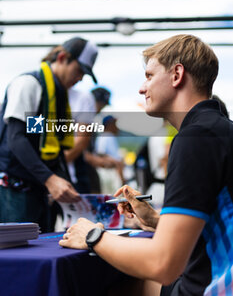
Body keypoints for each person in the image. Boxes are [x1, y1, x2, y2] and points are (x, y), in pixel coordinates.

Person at [59, 34, 233, 295]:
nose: (142, 88)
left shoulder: (195, 139)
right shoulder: (218, 129)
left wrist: (92, 237)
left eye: (149, 76)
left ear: (176, 75)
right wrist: (153, 218)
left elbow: (163, 264)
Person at [0, 36, 98, 232]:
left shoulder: (56, 95)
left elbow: (44, 145)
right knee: (20, 258)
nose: (80, 78)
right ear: (62, 58)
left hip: (39, 193)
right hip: (13, 192)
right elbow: (16, 138)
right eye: (79, 71)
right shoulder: (28, 84)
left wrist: (65, 188)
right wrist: (50, 179)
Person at [95, 115, 125, 193]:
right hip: (108, 173)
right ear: (109, 125)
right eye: (114, 124)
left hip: (112, 172)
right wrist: (117, 163)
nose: (116, 127)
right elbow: (101, 154)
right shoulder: (105, 136)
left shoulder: (108, 136)